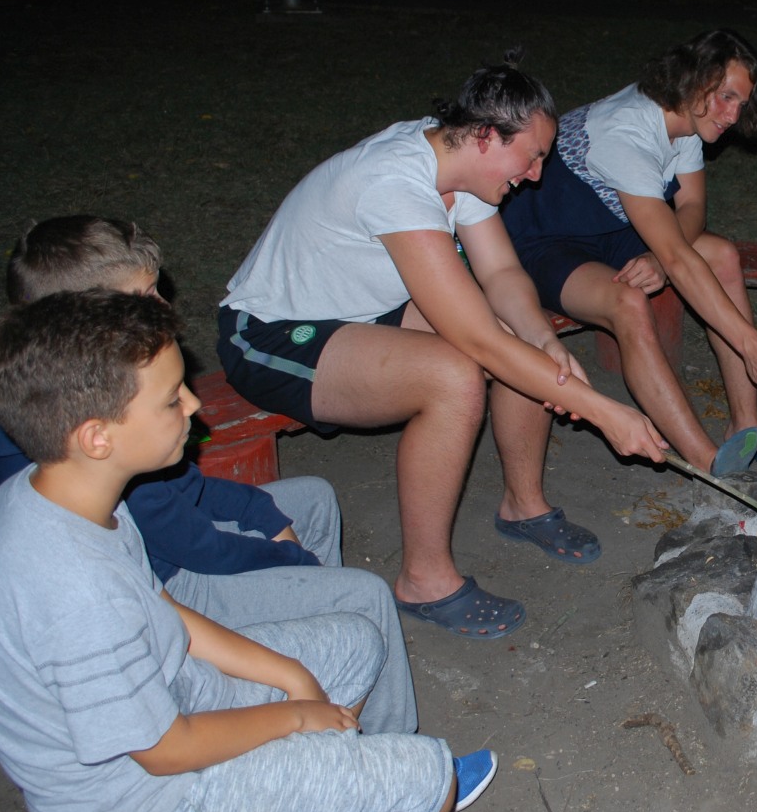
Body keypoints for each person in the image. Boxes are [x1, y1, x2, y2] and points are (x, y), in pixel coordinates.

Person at [0, 290, 498, 812]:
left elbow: (165, 610)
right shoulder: (73, 590)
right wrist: (295, 714)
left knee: (357, 642)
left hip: (172, 696)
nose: (194, 403)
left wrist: (292, 677)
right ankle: (354, 809)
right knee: (425, 780)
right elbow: (164, 750)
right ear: (97, 437)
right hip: (141, 800)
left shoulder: (68, 496)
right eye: (171, 399)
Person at [218, 53, 667, 641]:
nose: (536, 175)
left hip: (365, 309)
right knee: (454, 376)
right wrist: (606, 413)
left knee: (520, 338)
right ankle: (423, 581)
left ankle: (523, 505)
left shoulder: (462, 167)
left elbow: (502, 273)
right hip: (274, 332)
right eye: (532, 156)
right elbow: (476, 340)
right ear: (486, 136)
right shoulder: (395, 182)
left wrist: (542, 341)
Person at [0, 215, 417, 735]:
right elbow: (193, 545)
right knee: (364, 596)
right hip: (172, 580)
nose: (163, 306)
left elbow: (186, 489)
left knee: (312, 498)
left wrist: (264, 515)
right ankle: (388, 745)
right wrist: (288, 559)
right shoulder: (90, 439)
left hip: (168, 560)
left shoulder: (103, 403)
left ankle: (322, 660)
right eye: (143, 296)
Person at [501, 29, 757, 475]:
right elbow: (678, 255)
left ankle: (747, 424)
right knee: (629, 302)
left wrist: (659, 259)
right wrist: (752, 344)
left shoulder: (687, 119)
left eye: (742, 102)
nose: (734, 115)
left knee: (721, 256)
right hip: (544, 240)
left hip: (609, 227)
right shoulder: (628, 133)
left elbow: (692, 208)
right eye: (727, 97)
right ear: (694, 80)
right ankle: (706, 461)